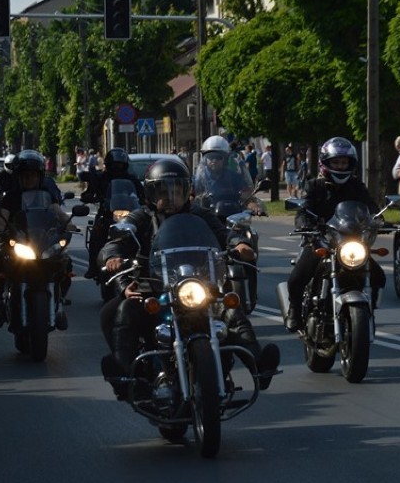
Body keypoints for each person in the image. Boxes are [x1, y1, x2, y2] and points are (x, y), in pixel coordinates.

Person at [98, 159, 280, 396]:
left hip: (198, 285)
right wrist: (114, 261)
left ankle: (259, 366)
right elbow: (114, 245)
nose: (171, 197)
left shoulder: (200, 214)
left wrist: (240, 243)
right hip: (153, 288)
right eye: (164, 191)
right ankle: (126, 377)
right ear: (151, 193)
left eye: (177, 190)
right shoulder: (141, 218)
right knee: (119, 312)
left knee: (229, 308)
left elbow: (224, 234)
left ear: (187, 191)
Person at [284, 137, 384, 332]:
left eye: (344, 162)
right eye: (336, 162)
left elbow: (371, 205)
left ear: (351, 164)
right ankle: (294, 311)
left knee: (379, 277)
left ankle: (367, 313)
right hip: (320, 240)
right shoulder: (315, 185)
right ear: (326, 163)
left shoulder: (356, 186)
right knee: (297, 278)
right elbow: (303, 209)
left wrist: (379, 218)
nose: (340, 166)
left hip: (349, 241)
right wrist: (305, 223)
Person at [0, 149, 75, 328]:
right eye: (25, 176)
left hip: (42, 241)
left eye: (33, 176)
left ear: (40, 176)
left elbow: (58, 212)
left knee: (65, 262)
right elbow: (1, 218)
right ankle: (1, 304)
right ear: (19, 177)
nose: (29, 179)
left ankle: (60, 303)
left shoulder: (47, 195)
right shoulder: (11, 196)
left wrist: (70, 225)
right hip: (19, 241)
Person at [80, 147, 144, 279]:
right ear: (108, 165)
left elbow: (143, 194)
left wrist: (145, 200)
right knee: (96, 234)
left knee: (144, 231)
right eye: (114, 165)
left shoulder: (132, 180)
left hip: (129, 213)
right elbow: (90, 190)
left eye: (120, 165)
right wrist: (89, 196)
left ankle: (144, 263)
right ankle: (92, 267)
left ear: (125, 165)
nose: (117, 168)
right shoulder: (101, 178)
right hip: (107, 212)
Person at [192, 135, 252, 207]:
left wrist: (251, 203)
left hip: (230, 214)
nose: (214, 161)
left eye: (218, 157)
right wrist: (191, 198)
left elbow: (246, 192)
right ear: (205, 159)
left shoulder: (234, 177)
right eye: (211, 157)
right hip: (206, 214)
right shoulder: (199, 178)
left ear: (225, 159)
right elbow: (191, 193)